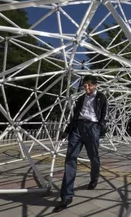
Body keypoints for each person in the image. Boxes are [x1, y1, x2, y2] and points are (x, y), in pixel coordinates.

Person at [53, 75, 108, 213]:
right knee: (70, 158)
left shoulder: (101, 97)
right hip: (78, 128)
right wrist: (67, 131)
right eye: (85, 86)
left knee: (93, 157)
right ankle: (66, 196)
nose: (87, 88)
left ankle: (94, 177)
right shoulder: (81, 99)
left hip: (92, 128)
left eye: (89, 85)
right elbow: (75, 116)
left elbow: (104, 114)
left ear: (96, 85)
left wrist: (99, 127)